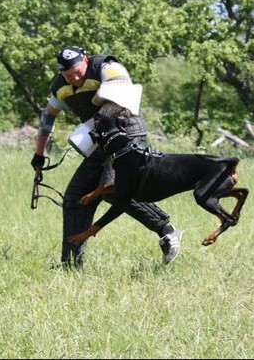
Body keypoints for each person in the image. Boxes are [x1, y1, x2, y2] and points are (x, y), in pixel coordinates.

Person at [31, 46, 183, 269]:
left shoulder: (108, 68)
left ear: (85, 60)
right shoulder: (61, 87)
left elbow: (121, 99)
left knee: (112, 188)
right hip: (100, 139)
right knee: (76, 196)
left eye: (76, 70)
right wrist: (39, 154)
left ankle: (168, 232)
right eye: (67, 74)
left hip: (127, 133)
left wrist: (90, 129)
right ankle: (71, 265)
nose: (74, 77)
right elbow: (47, 119)